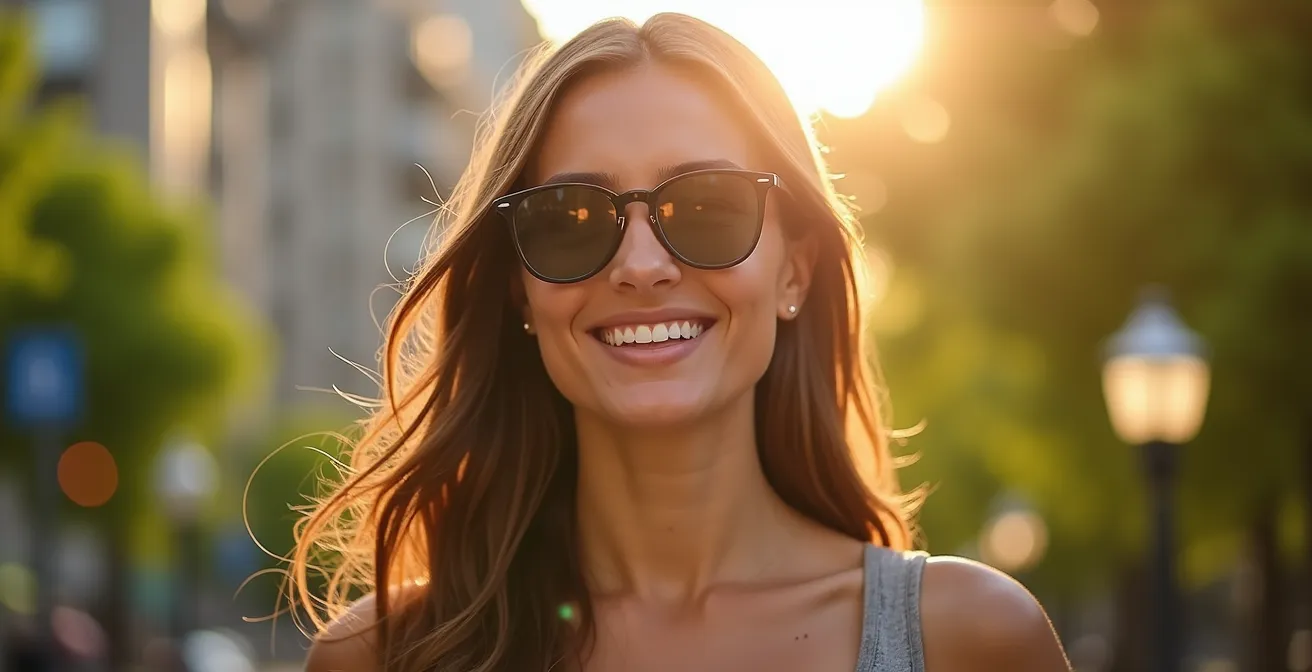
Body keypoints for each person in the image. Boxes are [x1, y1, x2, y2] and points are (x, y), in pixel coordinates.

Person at [295, 12, 1071, 672]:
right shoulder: (383, 654)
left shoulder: (969, 638)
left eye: (705, 206)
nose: (640, 266)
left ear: (794, 271)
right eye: (571, 217)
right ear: (518, 289)